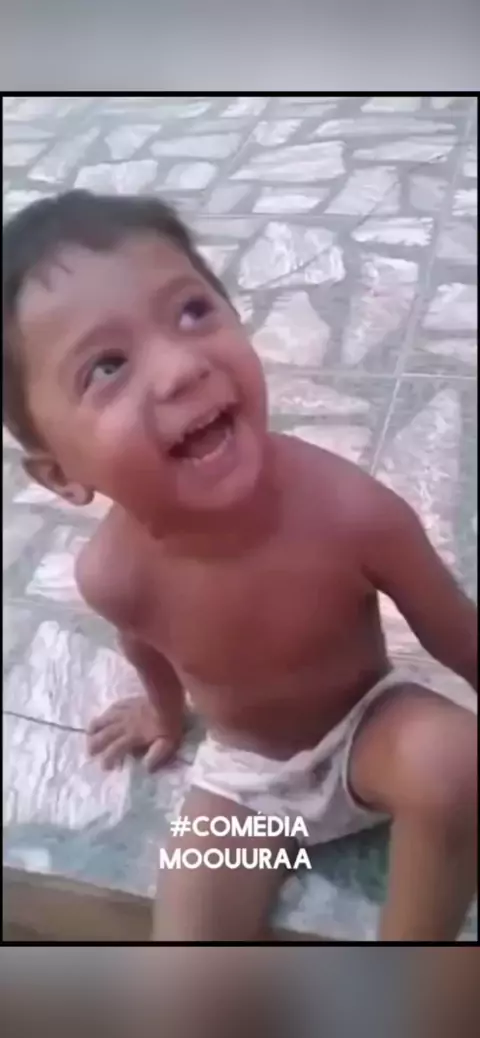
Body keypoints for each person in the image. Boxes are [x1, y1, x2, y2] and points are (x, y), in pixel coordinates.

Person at [3, 191, 477, 943]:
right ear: (61, 474)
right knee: (186, 953)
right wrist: (162, 713)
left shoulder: (353, 512)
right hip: (247, 785)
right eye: (107, 366)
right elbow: (146, 644)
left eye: (192, 311)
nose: (180, 367)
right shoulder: (113, 574)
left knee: (454, 764)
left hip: (366, 736)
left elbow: (456, 632)